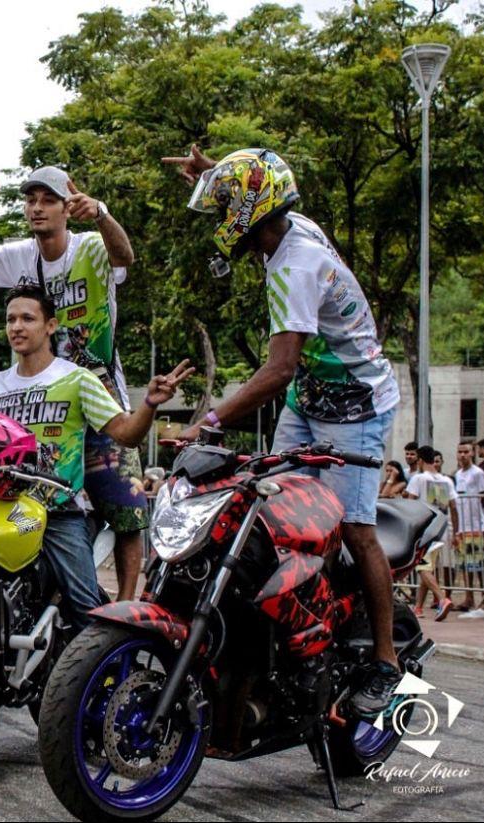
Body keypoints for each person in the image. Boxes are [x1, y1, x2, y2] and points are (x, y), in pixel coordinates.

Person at [165, 145, 402, 717]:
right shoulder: (288, 224)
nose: (221, 224)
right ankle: (297, 632)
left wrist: (210, 420)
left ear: (251, 212)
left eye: (226, 210)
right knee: (278, 519)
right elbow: (257, 187)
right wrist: (214, 178)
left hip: (358, 406)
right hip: (310, 399)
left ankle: (386, 661)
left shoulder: (295, 264)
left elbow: (278, 369)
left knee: (353, 529)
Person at [0, 285, 191, 623]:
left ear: (51, 326)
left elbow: (126, 433)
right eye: (11, 319)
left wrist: (149, 405)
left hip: (57, 511)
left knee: (86, 609)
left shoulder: (78, 379)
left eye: (28, 318)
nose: (17, 327)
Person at [0, 166, 148, 602]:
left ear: (66, 208)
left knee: (126, 504)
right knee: (31, 502)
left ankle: (126, 605)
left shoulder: (92, 247)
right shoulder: (23, 255)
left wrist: (101, 214)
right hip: (41, 401)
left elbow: (125, 257)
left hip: (98, 391)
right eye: (31, 200)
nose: (37, 208)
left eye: (47, 200)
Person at [405, 446, 457, 621]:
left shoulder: (418, 478)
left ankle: (442, 599)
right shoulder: (447, 481)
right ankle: (418, 607)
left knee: (422, 567)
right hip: (442, 529)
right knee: (427, 568)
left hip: (424, 531)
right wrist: (455, 532)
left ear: (419, 460)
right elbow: (454, 508)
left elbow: (410, 504)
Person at [453, 441, 484, 612]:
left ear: (472, 453)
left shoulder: (478, 473)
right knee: (465, 563)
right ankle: (469, 597)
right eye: (460, 452)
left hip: (476, 524)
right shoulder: (458, 474)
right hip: (462, 525)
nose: (462, 455)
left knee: (477, 562)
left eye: (466, 452)